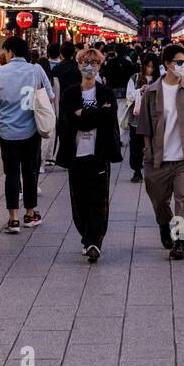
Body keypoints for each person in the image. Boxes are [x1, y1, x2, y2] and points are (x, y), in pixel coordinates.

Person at [136, 44, 184, 260]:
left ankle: (179, 240)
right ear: (167, 64)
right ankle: (163, 223)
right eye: (179, 62)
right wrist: (148, 152)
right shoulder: (151, 93)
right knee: (159, 201)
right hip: (158, 159)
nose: (183, 66)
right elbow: (145, 128)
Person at [56, 47, 121, 262]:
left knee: (98, 199)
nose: (89, 67)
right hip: (76, 154)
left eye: (94, 63)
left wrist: (83, 113)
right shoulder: (69, 94)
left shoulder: (106, 93)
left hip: (99, 153)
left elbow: (107, 119)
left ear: (100, 66)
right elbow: (70, 120)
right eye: (85, 63)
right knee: (80, 199)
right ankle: (86, 234)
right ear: (78, 65)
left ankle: (94, 241)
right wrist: (95, 114)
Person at [0, 35, 56, 234]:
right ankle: (30, 214)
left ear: (10, 52)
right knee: (30, 173)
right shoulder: (36, 70)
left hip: (8, 133)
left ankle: (13, 219)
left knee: (11, 175)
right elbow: (50, 97)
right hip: (31, 131)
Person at [124, 53, 160, 183]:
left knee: (154, 144)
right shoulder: (135, 78)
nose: (150, 69)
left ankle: (153, 169)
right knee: (136, 145)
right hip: (137, 119)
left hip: (155, 118)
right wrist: (139, 90)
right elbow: (128, 96)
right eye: (147, 66)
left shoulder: (160, 79)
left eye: (152, 67)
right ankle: (137, 170)